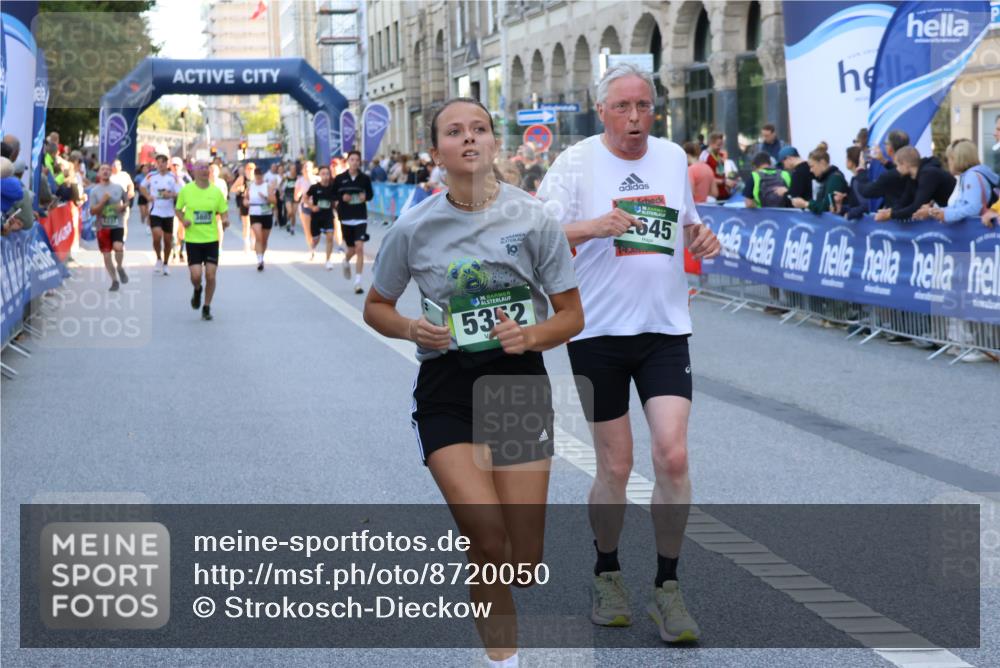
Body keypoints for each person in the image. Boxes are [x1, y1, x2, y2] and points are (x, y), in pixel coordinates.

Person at [364, 97, 584, 667]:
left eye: (479, 129)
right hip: (447, 388)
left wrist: (529, 337)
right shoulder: (413, 226)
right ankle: (504, 662)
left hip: (516, 385)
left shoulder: (534, 219)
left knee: (522, 560)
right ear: (435, 150)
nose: (469, 139)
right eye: (454, 132)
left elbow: (570, 315)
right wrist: (413, 325)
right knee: (486, 539)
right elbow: (377, 306)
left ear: (494, 144)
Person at [536, 62, 721, 644]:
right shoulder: (575, 163)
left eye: (645, 106)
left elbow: (688, 226)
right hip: (596, 334)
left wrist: (703, 236)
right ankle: (607, 571)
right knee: (615, 466)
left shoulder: (670, 157)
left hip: (665, 329)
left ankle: (667, 586)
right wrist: (593, 226)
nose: (636, 117)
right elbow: (536, 234)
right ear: (602, 111)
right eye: (624, 107)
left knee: (672, 457)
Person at [174, 161, 230, 321]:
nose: (205, 170)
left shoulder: (216, 191)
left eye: (207, 168)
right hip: (193, 239)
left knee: (211, 275)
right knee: (196, 275)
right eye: (201, 168)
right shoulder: (187, 190)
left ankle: (206, 307)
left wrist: (225, 221)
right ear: (195, 171)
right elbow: (178, 209)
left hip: (211, 239)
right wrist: (183, 220)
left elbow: (224, 212)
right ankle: (197, 289)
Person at [922, 140, 998, 224]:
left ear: (958, 159)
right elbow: (961, 206)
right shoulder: (969, 176)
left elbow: (974, 208)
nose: (948, 163)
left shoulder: (972, 177)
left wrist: (946, 215)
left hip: (977, 230)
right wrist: (938, 212)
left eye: (950, 158)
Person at [874, 147, 955, 221]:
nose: (897, 169)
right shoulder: (913, 176)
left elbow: (916, 206)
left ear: (906, 164)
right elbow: (905, 200)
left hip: (954, 212)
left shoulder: (929, 174)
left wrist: (890, 215)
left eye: (898, 165)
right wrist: (890, 210)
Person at [333, 150, 374, 293]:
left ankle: (358, 282)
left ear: (360, 162)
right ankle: (346, 260)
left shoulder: (365, 178)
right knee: (351, 249)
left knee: (360, 248)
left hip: (360, 217)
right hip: (346, 217)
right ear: (348, 161)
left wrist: (365, 197)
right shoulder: (340, 178)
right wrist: (342, 197)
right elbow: (333, 193)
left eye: (357, 160)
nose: (355, 162)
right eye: (352, 159)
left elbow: (370, 194)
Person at [89, 163, 130, 291]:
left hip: (117, 223)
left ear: (111, 172)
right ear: (99, 173)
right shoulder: (95, 191)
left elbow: (127, 200)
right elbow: (92, 211)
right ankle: (114, 280)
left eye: (108, 169)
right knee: (106, 256)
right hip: (103, 226)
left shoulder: (118, 187)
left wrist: (124, 207)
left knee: (118, 247)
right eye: (103, 169)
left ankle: (119, 266)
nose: (106, 171)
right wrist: (102, 202)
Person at [140, 152, 181, 275]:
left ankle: (166, 263)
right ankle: (158, 258)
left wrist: (171, 195)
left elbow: (180, 193)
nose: (161, 164)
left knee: (168, 240)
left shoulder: (173, 177)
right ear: (156, 164)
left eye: (163, 162)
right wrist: (148, 196)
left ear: (167, 164)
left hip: (168, 212)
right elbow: (142, 187)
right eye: (159, 162)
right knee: (157, 236)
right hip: (155, 211)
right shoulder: (151, 176)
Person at [859, 129, 915, 210]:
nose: (884, 146)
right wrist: (883, 160)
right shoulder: (913, 168)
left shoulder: (888, 176)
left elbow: (866, 192)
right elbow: (898, 169)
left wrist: (861, 170)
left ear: (890, 149)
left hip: (895, 219)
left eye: (885, 143)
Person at [791, 146, 848, 214]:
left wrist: (806, 204)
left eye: (812, 166)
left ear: (822, 162)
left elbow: (827, 207)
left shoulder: (835, 179)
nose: (810, 170)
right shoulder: (825, 179)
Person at [245, 161, 277, 271]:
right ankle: (259, 260)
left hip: (266, 213)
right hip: (254, 213)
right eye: (256, 175)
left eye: (260, 175)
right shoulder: (250, 186)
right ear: (254, 176)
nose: (258, 177)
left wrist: (266, 197)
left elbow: (274, 201)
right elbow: (246, 198)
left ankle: (261, 256)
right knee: (258, 236)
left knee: (264, 239)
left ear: (262, 176)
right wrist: (245, 202)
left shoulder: (267, 186)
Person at [305, 165, 338, 268]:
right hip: (316, 217)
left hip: (328, 216)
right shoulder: (314, 188)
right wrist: (312, 206)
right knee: (316, 238)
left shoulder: (333, 187)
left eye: (327, 174)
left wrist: (337, 204)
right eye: (323, 174)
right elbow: (305, 198)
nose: (325, 176)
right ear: (319, 175)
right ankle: (313, 248)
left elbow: (337, 199)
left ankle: (328, 260)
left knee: (330, 237)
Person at [833, 146, 872, 220]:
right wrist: (840, 206)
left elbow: (866, 205)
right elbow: (855, 205)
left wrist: (850, 214)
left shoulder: (858, 180)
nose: (845, 160)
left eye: (847, 158)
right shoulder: (855, 179)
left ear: (851, 161)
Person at [701, 132, 733, 200]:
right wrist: (724, 181)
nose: (720, 147)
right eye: (718, 145)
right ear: (710, 143)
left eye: (721, 145)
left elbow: (722, 173)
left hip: (724, 193)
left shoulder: (720, 154)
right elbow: (704, 178)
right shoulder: (705, 156)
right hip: (713, 196)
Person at [295, 160, 317, 256]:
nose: (307, 169)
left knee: (316, 228)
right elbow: (295, 197)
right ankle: (311, 248)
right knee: (308, 229)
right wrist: (300, 195)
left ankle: (314, 243)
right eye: (305, 167)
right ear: (302, 170)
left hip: (316, 206)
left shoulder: (317, 179)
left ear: (312, 169)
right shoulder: (300, 181)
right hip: (305, 206)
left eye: (309, 167)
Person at [230, 164, 254, 252]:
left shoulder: (256, 179)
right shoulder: (242, 178)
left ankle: (253, 242)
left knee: (254, 224)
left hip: (255, 204)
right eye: (248, 169)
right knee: (246, 224)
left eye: (251, 169)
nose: (250, 170)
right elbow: (232, 189)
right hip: (244, 203)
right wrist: (239, 188)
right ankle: (246, 243)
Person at [109, 159, 135, 240]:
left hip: (123, 201)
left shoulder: (125, 175)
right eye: (114, 165)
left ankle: (122, 239)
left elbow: (130, 184)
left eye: (118, 165)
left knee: (123, 221)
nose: (116, 167)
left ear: (121, 166)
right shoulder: (108, 175)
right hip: (111, 202)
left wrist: (131, 191)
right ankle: (113, 239)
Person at [282, 163, 298, 235]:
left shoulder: (298, 177)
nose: (293, 170)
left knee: (294, 213)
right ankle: (288, 221)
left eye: (294, 169)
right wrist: (281, 193)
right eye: (291, 169)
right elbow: (280, 184)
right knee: (290, 211)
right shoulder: (286, 177)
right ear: (290, 169)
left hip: (295, 196)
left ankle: (292, 227)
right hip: (288, 195)